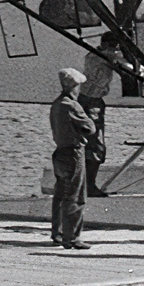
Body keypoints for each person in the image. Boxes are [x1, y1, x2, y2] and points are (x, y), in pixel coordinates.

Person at [49, 67, 97, 250]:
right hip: (73, 153)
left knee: (60, 195)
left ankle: (58, 234)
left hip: (60, 152)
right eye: (78, 86)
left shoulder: (56, 104)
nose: (79, 89)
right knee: (76, 196)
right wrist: (90, 118)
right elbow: (90, 128)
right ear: (73, 87)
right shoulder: (72, 105)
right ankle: (72, 238)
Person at [79, 36, 116, 197]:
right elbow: (122, 63)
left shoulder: (94, 54)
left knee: (91, 143)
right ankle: (89, 186)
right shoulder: (102, 56)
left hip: (90, 101)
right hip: (91, 103)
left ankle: (85, 183)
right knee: (96, 144)